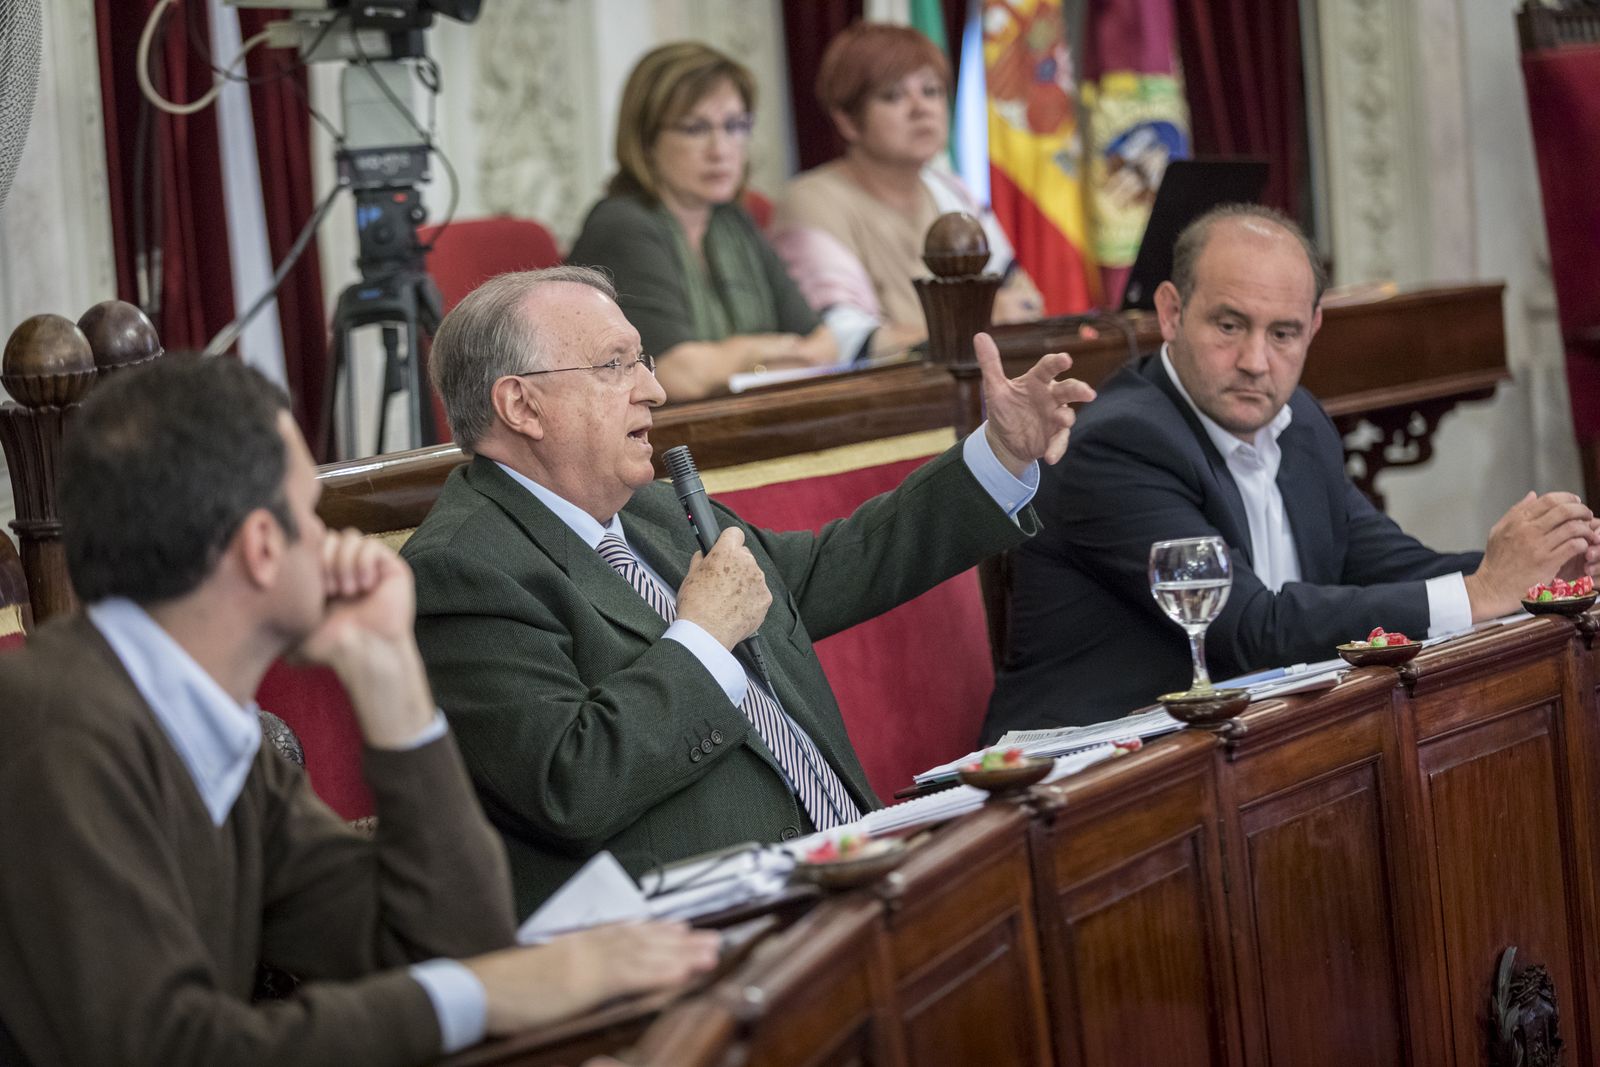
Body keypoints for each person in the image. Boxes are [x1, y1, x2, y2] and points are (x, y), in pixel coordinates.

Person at [0, 356, 719, 1067]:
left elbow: (445, 941)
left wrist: (394, 688)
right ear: (260, 547)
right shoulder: (58, 729)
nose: (328, 542)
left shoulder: (218, 738)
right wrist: (472, 995)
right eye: (308, 516)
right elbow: (165, 1049)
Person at [406, 265, 1093, 914]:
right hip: (703, 945)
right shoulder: (462, 568)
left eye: (643, 361)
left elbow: (828, 569)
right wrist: (702, 638)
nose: (654, 389)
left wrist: (1000, 456)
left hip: (850, 879)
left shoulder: (648, 510)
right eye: (616, 365)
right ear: (521, 404)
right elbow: (569, 782)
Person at [983, 203, 1600, 737]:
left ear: (1314, 329)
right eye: (1229, 325)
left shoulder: (1298, 421)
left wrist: (1539, 575)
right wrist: (1484, 591)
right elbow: (1249, 629)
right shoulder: (1120, 445)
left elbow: (1392, 565)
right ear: (1171, 313)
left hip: (1235, 752)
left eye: (1283, 334)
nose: (1256, 361)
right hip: (1083, 774)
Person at [566, 42, 840, 402]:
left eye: (735, 126)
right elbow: (677, 374)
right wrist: (755, 354)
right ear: (646, 141)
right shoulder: (622, 225)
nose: (721, 149)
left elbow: (823, 345)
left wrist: (735, 364)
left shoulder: (732, 222)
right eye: (696, 129)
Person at [771, 21, 1044, 363]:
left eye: (931, 91)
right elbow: (847, 341)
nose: (921, 109)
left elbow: (1023, 298)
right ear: (846, 120)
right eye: (893, 96)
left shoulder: (950, 190)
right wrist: (979, 321)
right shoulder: (810, 200)